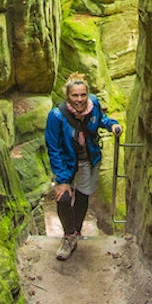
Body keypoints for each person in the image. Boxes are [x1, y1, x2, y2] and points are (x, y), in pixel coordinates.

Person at [44, 73, 122, 260]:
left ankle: (75, 232)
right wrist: (62, 180)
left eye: (82, 95)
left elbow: (100, 119)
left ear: (87, 95)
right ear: (67, 96)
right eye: (74, 95)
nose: (79, 100)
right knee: (63, 197)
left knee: (82, 196)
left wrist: (112, 125)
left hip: (88, 160)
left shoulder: (93, 104)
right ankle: (69, 236)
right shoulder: (56, 116)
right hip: (66, 162)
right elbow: (54, 148)